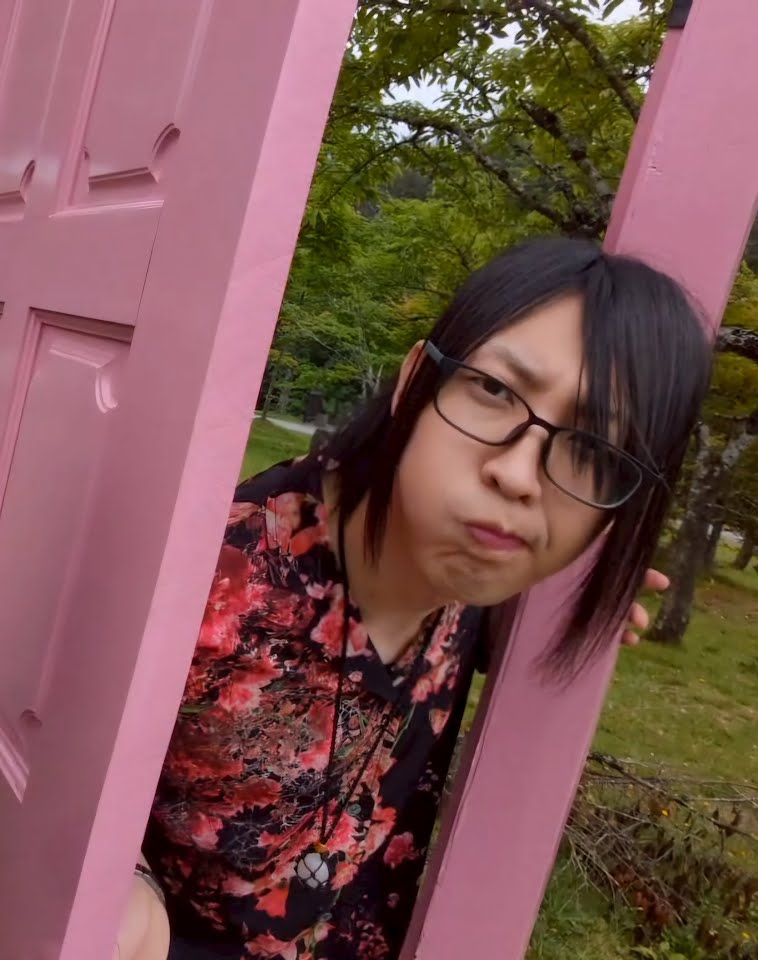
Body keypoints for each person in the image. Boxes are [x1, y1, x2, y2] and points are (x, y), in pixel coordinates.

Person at [115, 236, 711, 960]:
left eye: (593, 451)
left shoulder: (481, 591)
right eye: (495, 392)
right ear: (414, 383)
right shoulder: (215, 576)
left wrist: (564, 606)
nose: (518, 475)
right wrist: (118, 882)